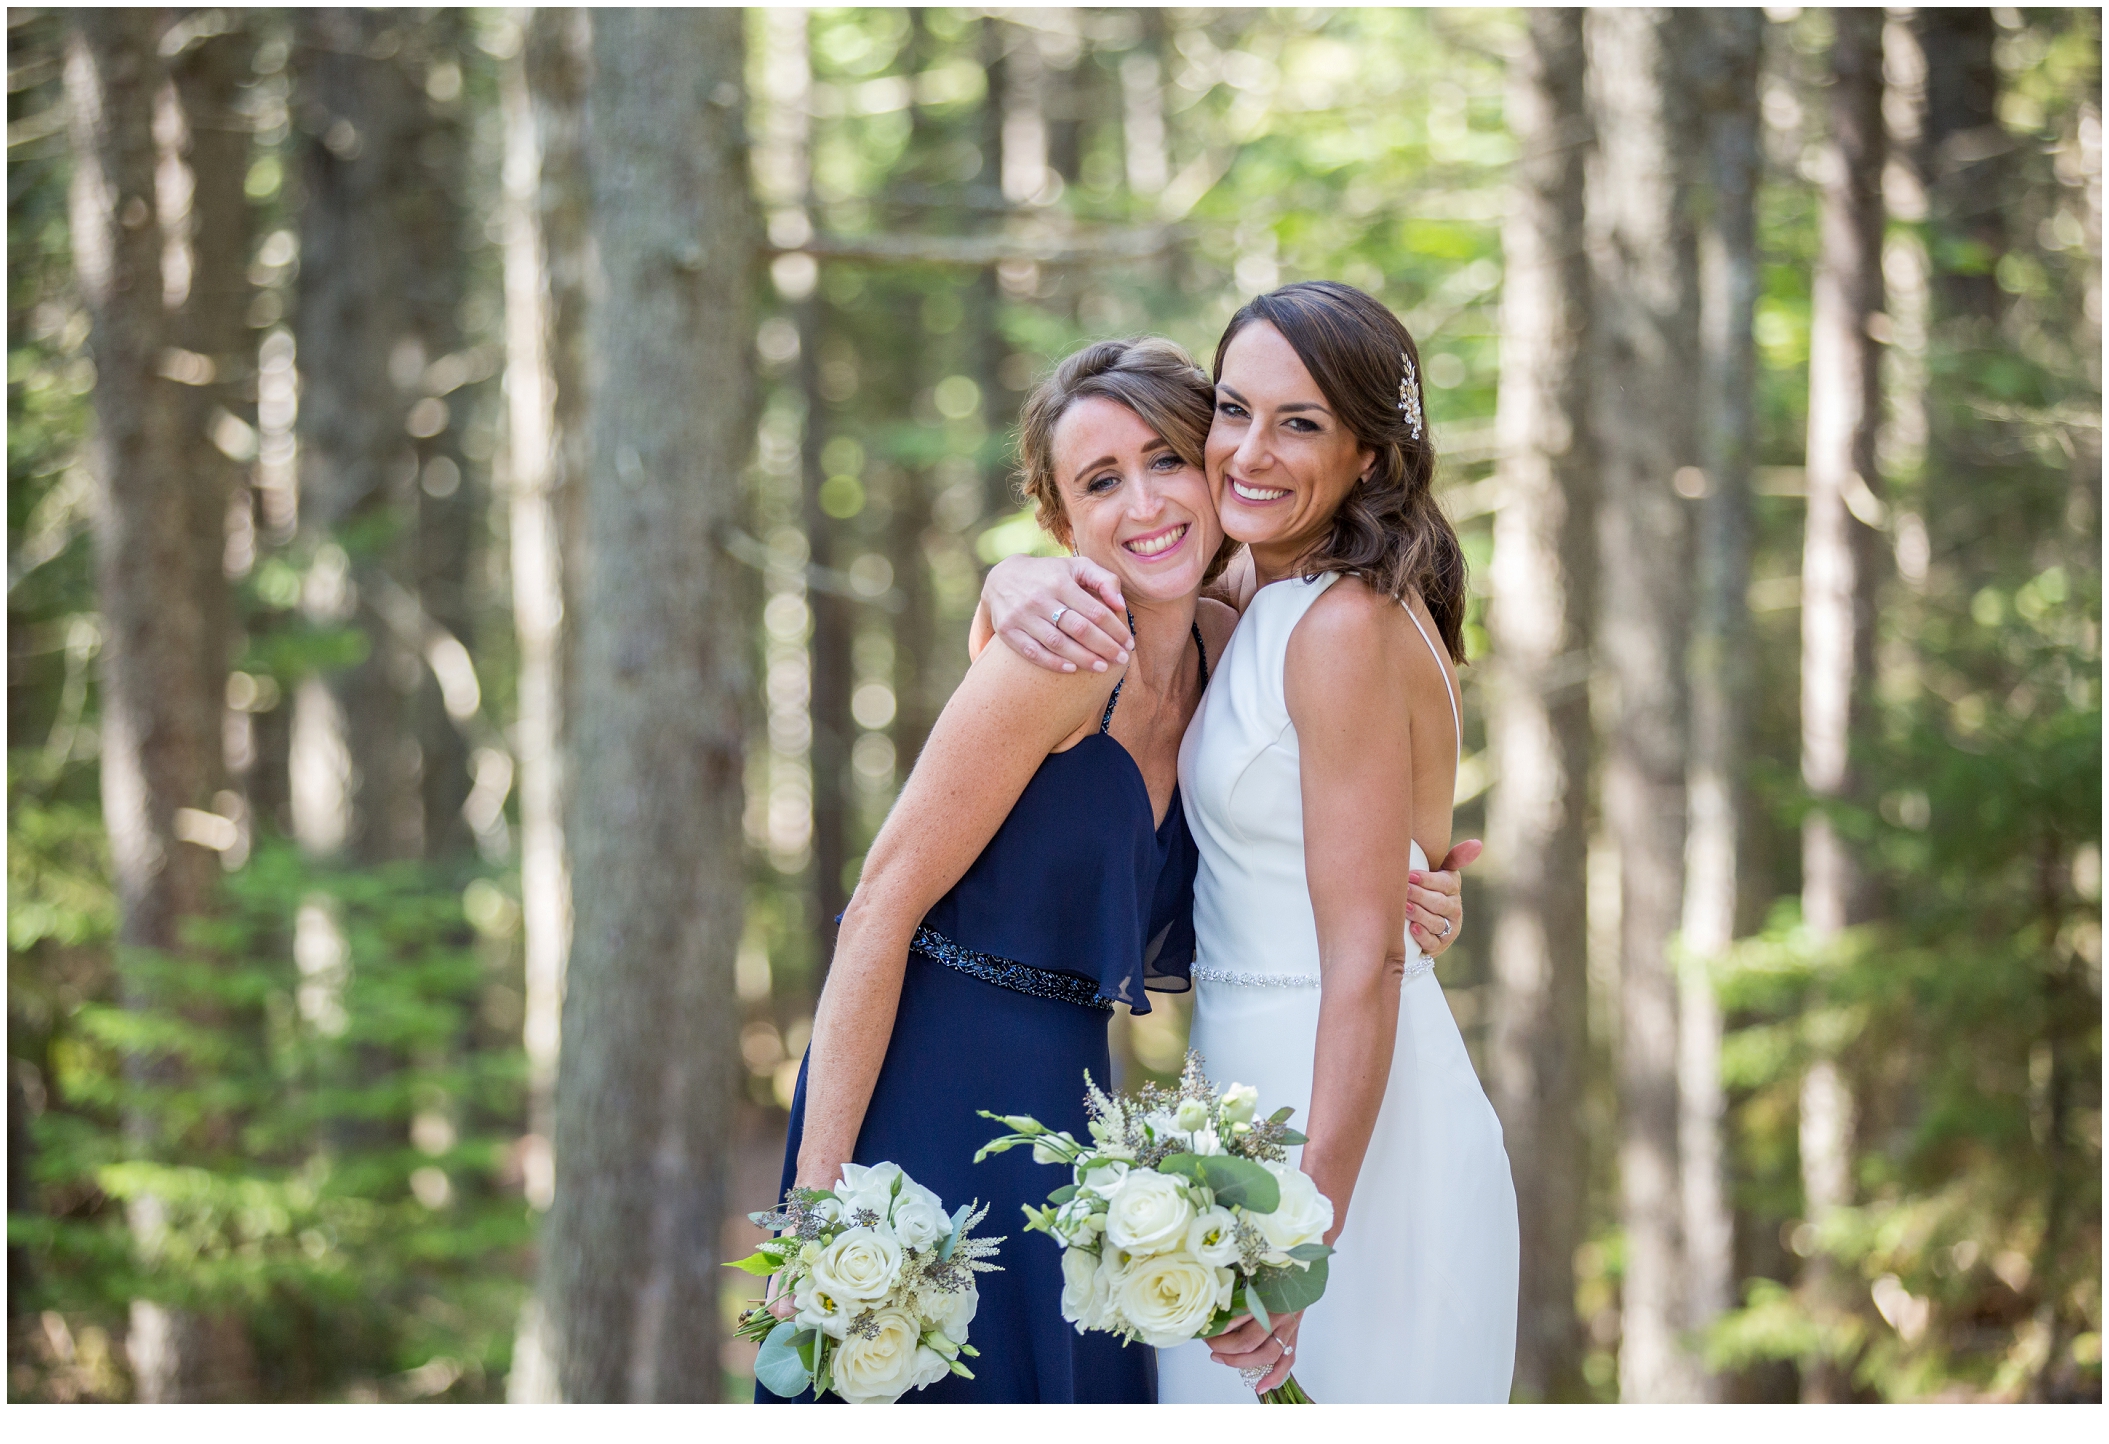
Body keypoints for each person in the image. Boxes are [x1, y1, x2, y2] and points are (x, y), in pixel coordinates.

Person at [979, 281, 1519, 1403]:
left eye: (1302, 422)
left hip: (1342, 1134)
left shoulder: (1342, 623)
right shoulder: (1267, 592)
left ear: (1371, 453)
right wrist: (1007, 578)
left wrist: (1298, 1242)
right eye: (1233, 411)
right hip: (1251, 1095)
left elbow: (1368, 957)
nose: (1250, 453)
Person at [760, 337, 1235, 1403]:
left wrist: (1411, 874)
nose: (1146, 501)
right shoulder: (1061, 658)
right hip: (926, 1082)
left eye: (1168, 459)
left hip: (1070, 1106)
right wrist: (816, 1210)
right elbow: (879, 906)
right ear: (1063, 526)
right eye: (1101, 481)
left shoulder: (1225, 639)